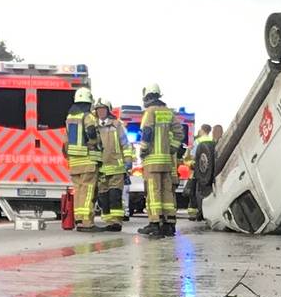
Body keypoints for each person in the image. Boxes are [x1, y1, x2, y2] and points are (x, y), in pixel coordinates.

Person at [139, 87, 182, 236]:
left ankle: (155, 223)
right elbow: (179, 132)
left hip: (152, 160)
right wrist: (171, 149)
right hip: (166, 160)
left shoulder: (150, 112)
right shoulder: (168, 112)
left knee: (154, 191)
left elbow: (147, 132)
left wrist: (143, 150)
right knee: (166, 191)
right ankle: (169, 223)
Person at [63, 100, 98, 230]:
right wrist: (94, 142)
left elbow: (65, 142)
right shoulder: (87, 116)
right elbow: (91, 132)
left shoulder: (69, 118)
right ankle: (87, 221)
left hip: (74, 162)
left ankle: (78, 219)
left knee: (78, 190)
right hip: (87, 160)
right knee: (88, 190)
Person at [94, 104, 130, 229]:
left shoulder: (116, 125)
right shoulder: (94, 126)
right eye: (98, 110)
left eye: (103, 109)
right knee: (103, 197)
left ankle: (116, 222)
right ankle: (109, 222)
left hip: (116, 166)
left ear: (108, 111)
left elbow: (125, 144)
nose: (100, 112)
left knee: (115, 195)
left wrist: (128, 159)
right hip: (101, 168)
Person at [188, 124, 221, 218]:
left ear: (202, 130)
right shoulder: (212, 141)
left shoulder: (197, 141)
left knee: (198, 192)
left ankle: (199, 213)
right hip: (210, 171)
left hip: (199, 171)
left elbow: (194, 156)